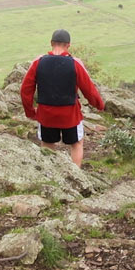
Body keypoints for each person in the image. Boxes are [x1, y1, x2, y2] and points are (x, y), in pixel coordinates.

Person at [20, 29, 105, 167]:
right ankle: (76, 175)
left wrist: (30, 112)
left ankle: (51, 175)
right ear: (68, 45)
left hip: (46, 114)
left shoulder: (38, 62)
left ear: (51, 43)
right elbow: (89, 89)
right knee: (77, 144)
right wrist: (99, 105)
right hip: (70, 114)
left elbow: (25, 89)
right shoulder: (75, 63)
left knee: (47, 144)